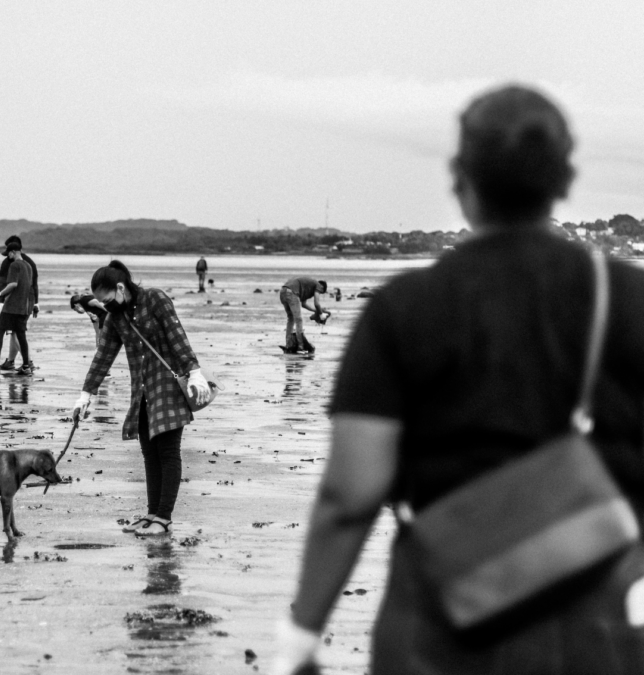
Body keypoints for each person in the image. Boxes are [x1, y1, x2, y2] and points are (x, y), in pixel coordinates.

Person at [272, 85, 644, 674]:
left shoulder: (403, 309)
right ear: (565, 180)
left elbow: (351, 495)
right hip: (603, 621)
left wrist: (302, 634)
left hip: (437, 628)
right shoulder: (628, 298)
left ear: (459, 179)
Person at [71, 261, 211, 536]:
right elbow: (103, 356)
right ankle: (152, 514)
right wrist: (85, 394)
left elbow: (176, 335)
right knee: (149, 454)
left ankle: (164, 518)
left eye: (108, 300)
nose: (106, 307)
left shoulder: (155, 299)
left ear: (121, 288)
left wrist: (194, 372)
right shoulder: (116, 318)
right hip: (142, 392)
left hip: (168, 387)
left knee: (168, 452)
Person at [0, 241, 34, 375]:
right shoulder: (28, 266)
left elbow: (13, 284)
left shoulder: (14, 265)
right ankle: (26, 366)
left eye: (9, 254)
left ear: (13, 252)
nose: (8, 257)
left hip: (11, 307)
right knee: (21, 336)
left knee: (0, 331)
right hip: (24, 307)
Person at [0, 235, 39, 370]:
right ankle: (14, 361)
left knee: (7, 331)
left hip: (13, 302)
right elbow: (34, 284)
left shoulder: (11, 263)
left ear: (12, 250)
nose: (7, 254)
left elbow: (4, 282)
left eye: (8, 250)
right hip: (28, 302)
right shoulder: (29, 263)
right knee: (17, 332)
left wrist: (0, 296)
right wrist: (36, 303)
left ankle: (27, 362)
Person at [279, 277, 328, 354]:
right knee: (299, 320)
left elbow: (304, 304)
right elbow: (317, 303)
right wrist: (321, 314)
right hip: (291, 293)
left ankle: (288, 345)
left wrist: (316, 311)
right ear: (322, 288)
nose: (318, 294)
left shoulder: (307, 288)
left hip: (283, 292)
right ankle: (300, 347)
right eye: (320, 293)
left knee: (291, 318)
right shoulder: (318, 285)